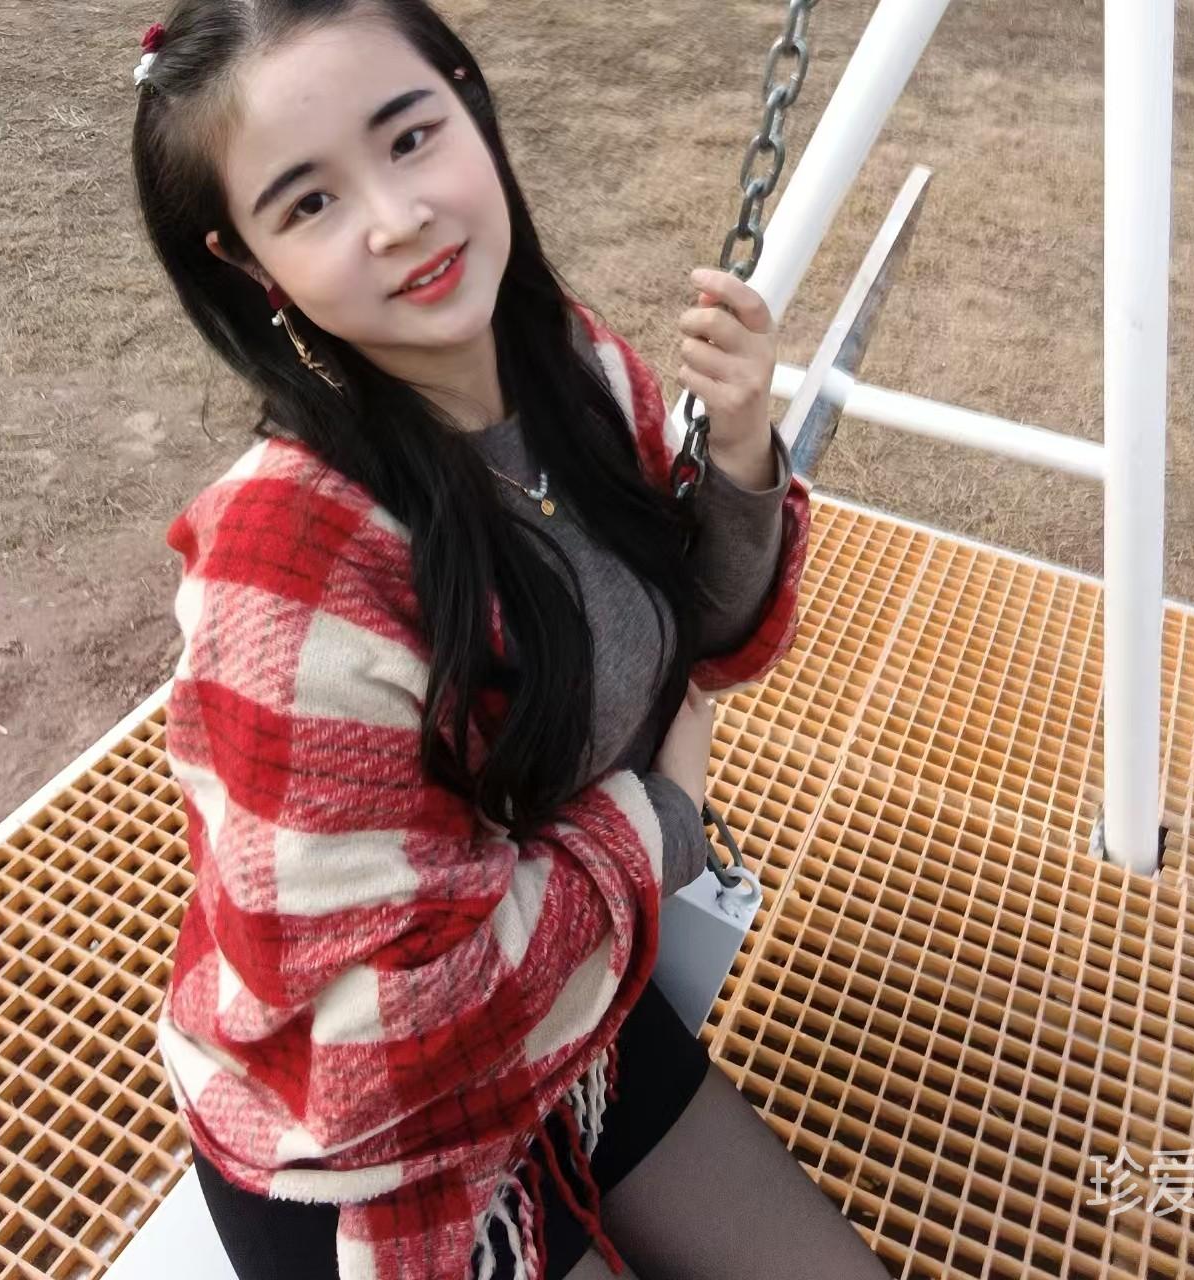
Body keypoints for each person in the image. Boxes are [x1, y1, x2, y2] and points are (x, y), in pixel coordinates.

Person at [131, 2, 891, 1277]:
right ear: (248, 260)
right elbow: (379, 1049)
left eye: (409, 136)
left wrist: (741, 445)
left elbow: (699, 641)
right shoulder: (286, 572)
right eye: (309, 202)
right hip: (375, 1146)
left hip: (571, 1010)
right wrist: (658, 822)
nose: (397, 217)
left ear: (468, 102)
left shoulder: (569, 369)